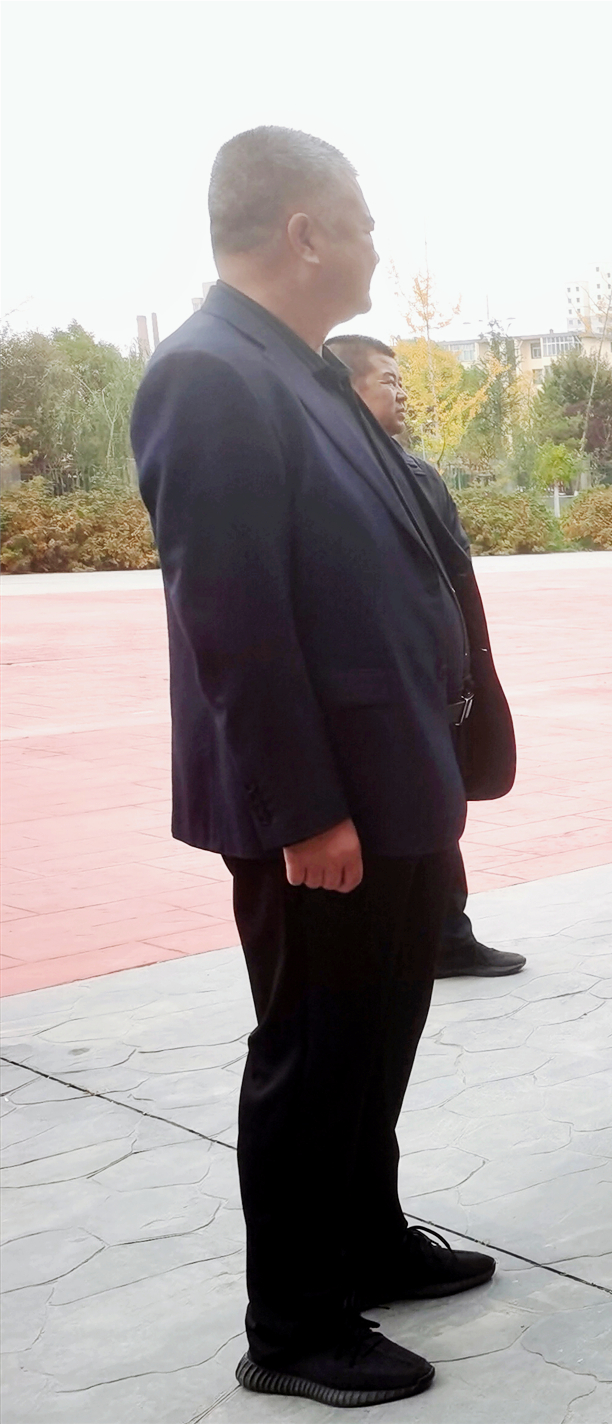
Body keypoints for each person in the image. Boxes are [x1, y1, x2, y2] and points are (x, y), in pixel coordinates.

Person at [130, 127, 509, 1408]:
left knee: (377, 1029)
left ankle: (365, 1237)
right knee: (312, 1050)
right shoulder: (209, 375)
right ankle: (293, 1324)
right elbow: (232, 621)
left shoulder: (297, 369)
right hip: (321, 807)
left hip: (389, 781)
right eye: (360, 219)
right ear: (304, 231)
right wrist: (305, 811)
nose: (375, 244)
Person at [326, 333, 526, 979]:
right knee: (404, 823)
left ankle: (447, 936)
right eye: (388, 381)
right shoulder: (331, 478)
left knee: (441, 813)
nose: (403, 394)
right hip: (383, 694)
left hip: (439, 687)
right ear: (346, 389)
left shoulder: (417, 475)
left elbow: (455, 573)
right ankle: (409, 943)